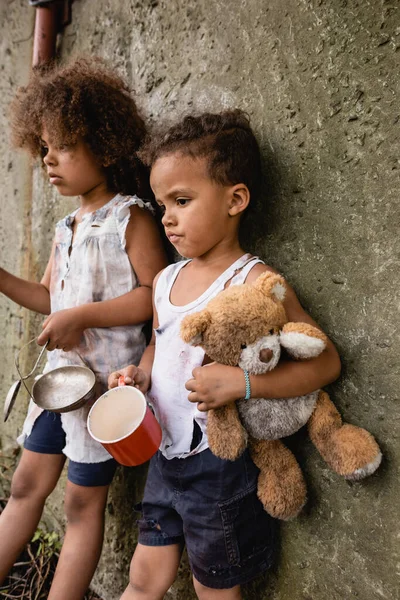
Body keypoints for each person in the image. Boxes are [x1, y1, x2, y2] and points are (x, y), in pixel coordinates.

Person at [109, 109, 342, 600]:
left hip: (218, 464)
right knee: (143, 578)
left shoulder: (255, 283)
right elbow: (158, 345)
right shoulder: (167, 279)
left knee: (214, 588)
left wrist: (244, 383)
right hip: (163, 452)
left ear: (235, 199)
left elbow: (325, 363)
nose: (167, 217)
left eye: (182, 200)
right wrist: (139, 377)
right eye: (161, 204)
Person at [0, 57, 167, 599]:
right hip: (58, 384)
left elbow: (154, 297)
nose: (49, 158)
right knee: (25, 486)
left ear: (105, 143)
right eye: (43, 147)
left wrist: (83, 317)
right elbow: (51, 297)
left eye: (63, 145)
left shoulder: (132, 218)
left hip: (103, 393)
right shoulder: (64, 226)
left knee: (79, 504)